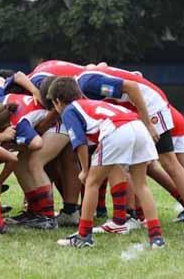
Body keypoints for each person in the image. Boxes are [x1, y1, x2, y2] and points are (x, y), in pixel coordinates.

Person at [48, 77, 164, 248]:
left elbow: (79, 141)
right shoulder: (91, 104)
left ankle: (84, 236)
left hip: (117, 129)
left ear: (57, 101)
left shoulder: (69, 110)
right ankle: (156, 237)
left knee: (91, 183)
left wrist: (85, 170)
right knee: (141, 185)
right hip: (137, 126)